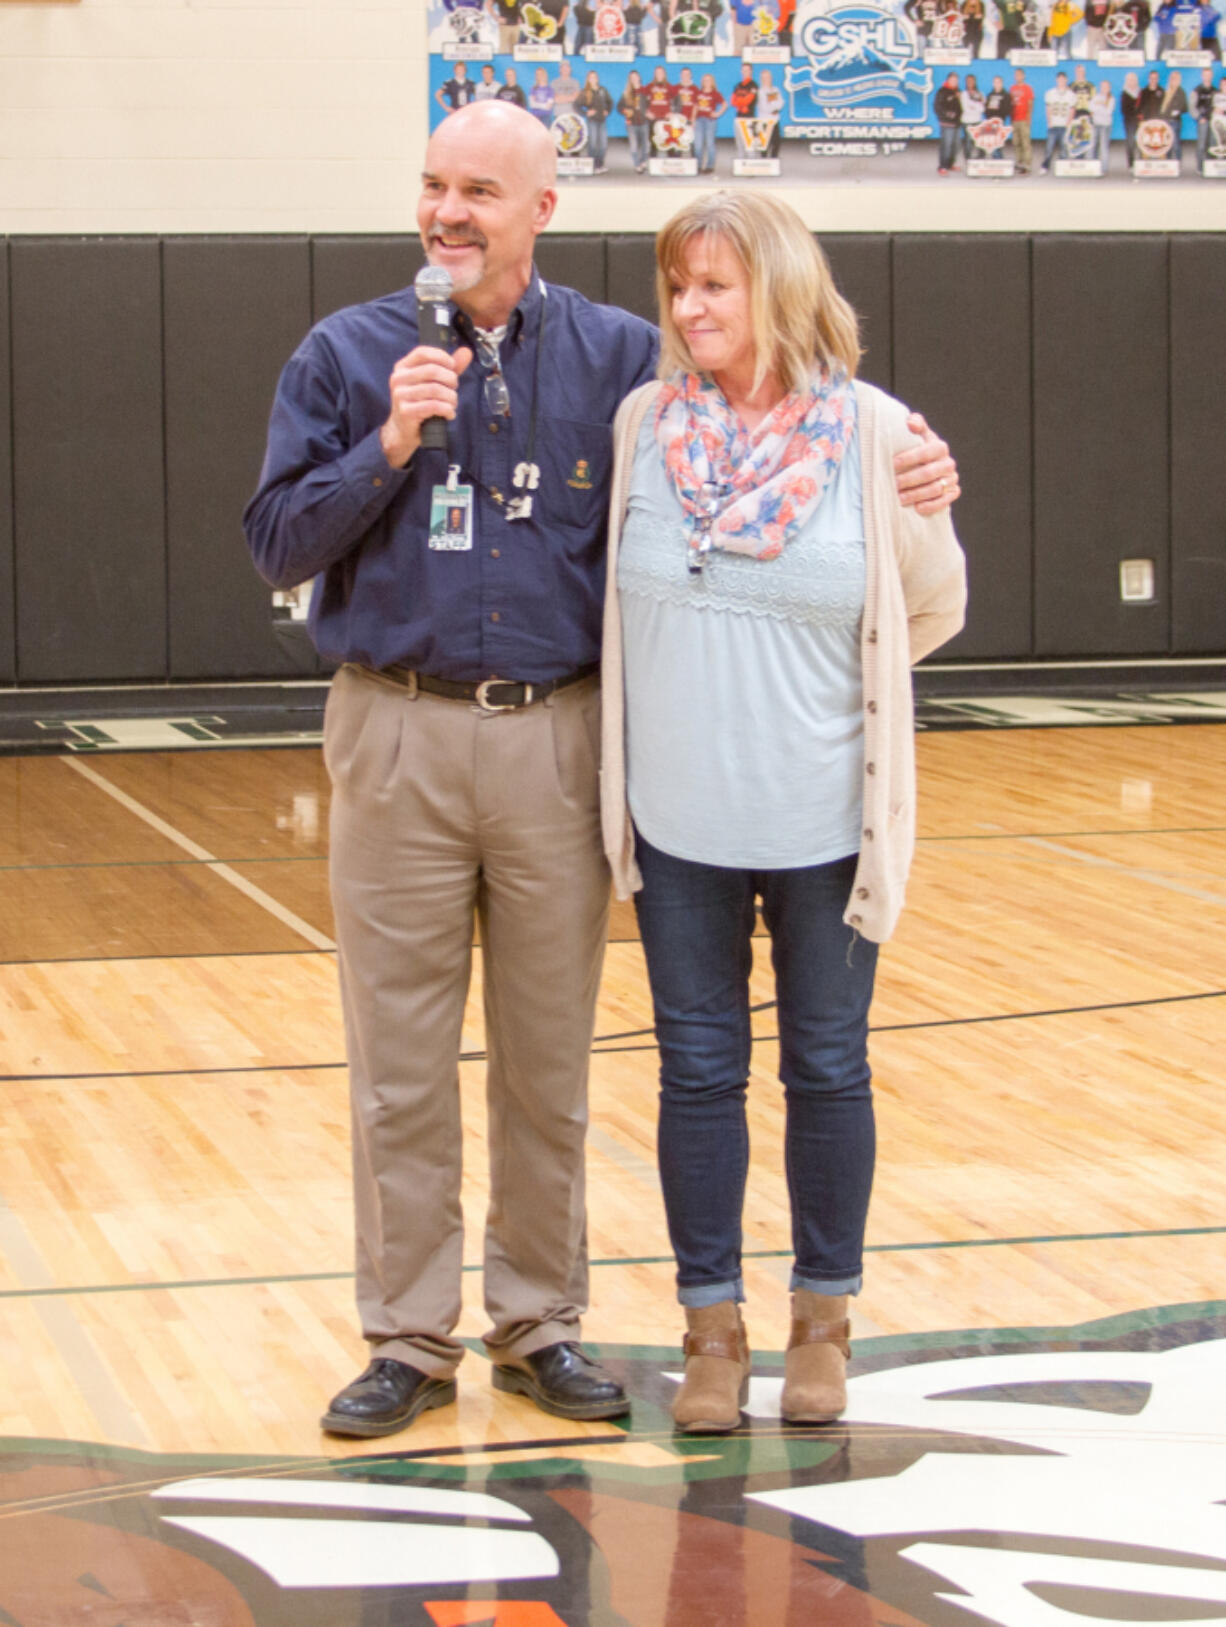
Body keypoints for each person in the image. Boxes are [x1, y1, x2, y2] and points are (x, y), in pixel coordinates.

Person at [244, 101, 961, 1442]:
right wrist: (386, 445)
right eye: (432, 186)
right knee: (398, 1064)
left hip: (561, 740)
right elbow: (277, 542)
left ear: (538, 211)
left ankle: (537, 1320)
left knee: (546, 1059)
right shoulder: (345, 355)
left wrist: (905, 452)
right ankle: (406, 1334)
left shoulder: (624, 366)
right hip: (393, 727)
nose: (446, 212)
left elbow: (778, 402)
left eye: (477, 192)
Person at [599, 190, 966, 1434]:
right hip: (675, 828)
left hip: (827, 828)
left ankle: (822, 1320)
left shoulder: (876, 437)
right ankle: (710, 1331)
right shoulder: (645, 422)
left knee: (826, 1068)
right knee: (696, 1074)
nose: (691, 308)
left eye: (716, 284)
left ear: (781, 289)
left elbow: (930, 608)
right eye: (678, 286)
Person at [577, 68, 614, 171]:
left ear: (597, 79)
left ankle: (600, 164)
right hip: (592, 121)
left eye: (595, 77)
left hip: (602, 120)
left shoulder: (602, 90)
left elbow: (610, 102)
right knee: (592, 143)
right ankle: (591, 165)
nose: (593, 79)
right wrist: (586, 113)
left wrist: (607, 110)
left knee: (603, 144)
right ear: (588, 79)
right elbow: (576, 105)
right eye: (591, 77)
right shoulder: (585, 92)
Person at [693, 71, 727, 172]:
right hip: (699, 120)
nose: (707, 82)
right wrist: (693, 120)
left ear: (712, 82)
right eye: (705, 80)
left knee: (709, 144)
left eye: (709, 80)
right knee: (698, 144)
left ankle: (710, 166)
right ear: (702, 82)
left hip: (710, 121)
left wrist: (717, 114)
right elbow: (695, 106)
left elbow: (725, 104)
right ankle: (698, 165)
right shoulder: (698, 93)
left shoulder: (715, 93)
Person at [619, 67, 651, 171]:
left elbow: (650, 105)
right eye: (631, 77)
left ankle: (643, 161)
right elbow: (619, 107)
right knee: (634, 146)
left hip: (644, 122)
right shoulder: (626, 93)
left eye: (635, 77)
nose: (634, 79)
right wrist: (626, 112)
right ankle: (637, 164)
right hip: (631, 123)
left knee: (646, 145)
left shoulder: (645, 91)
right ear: (630, 79)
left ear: (639, 78)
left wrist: (649, 112)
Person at [1041, 70, 1074, 167]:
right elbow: (1048, 108)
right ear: (1056, 80)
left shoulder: (1071, 94)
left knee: (1064, 146)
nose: (1061, 81)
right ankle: (1045, 165)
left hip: (1064, 124)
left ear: (1066, 80)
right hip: (1053, 124)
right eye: (1059, 79)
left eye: (1063, 79)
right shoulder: (1050, 93)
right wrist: (1049, 122)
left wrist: (1069, 123)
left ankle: (1062, 166)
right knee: (1049, 147)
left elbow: (1072, 110)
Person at [935, 71, 964, 170]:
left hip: (957, 123)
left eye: (956, 80)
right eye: (953, 80)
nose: (955, 82)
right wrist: (947, 114)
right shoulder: (942, 91)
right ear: (948, 80)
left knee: (957, 146)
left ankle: (950, 164)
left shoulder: (958, 91)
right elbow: (937, 106)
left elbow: (961, 107)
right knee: (946, 145)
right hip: (946, 123)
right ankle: (942, 166)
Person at [1011, 66, 1035, 170]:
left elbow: (1030, 103)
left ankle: (1028, 164)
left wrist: (1028, 117)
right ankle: (1019, 161)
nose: (1018, 76)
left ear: (1023, 76)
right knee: (1016, 142)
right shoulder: (1012, 88)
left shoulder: (1028, 88)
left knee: (1026, 142)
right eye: (1016, 75)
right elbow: (1010, 104)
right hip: (1014, 119)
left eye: (1019, 74)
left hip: (1024, 119)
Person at [1193, 64, 1218, 168]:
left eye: (1209, 75)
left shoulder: (1215, 91)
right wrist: (1199, 117)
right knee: (1202, 145)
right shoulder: (1197, 90)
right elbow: (1192, 107)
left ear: (1212, 76)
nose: (1207, 77)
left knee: (1212, 144)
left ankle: (1211, 166)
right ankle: (1200, 166)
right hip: (1203, 120)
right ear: (1202, 76)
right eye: (1205, 75)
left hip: (1213, 121)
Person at [757, 67, 784, 155]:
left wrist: (775, 108)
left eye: (768, 77)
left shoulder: (775, 90)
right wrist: (774, 108)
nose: (766, 79)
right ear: (761, 79)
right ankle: (763, 164)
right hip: (764, 121)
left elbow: (781, 103)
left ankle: (773, 161)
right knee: (764, 146)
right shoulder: (760, 92)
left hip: (775, 121)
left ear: (771, 78)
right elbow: (763, 107)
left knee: (776, 143)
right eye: (764, 78)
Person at [1162, 67, 1188, 155]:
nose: (1173, 80)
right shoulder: (1166, 91)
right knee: (1166, 144)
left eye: (1175, 78)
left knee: (1176, 144)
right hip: (1165, 121)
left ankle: (1177, 164)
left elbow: (1185, 108)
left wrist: (1177, 111)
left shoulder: (1181, 92)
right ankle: (1168, 164)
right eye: (1171, 78)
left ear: (1179, 80)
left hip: (1174, 121)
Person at [961, 72, 986, 158]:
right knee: (968, 142)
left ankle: (980, 160)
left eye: (972, 81)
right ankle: (968, 160)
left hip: (978, 121)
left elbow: (982, 109)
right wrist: (976, 105)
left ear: (975, 82)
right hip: (966, 121)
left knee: (980, 142)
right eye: (968, 81)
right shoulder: (963, 94)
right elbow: (966, 109)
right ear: (966, 82)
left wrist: (972, 105)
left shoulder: (980, 93)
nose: (970, 82)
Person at [1091, 77, 1115, 164]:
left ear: (1109, 88)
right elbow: (1091, 108)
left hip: (1105, 125)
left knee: (1104, 147)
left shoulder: (1111, 99)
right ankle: (1093, 166)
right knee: (1093, 146)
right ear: (1100, 87)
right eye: (1102, 86)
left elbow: (1108, 112)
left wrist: (1098, 107)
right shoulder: (1095, 97)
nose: (1104, 88)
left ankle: (1103, 168)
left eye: (1106, 87)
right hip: (1095, 124)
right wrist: (1102, 106)